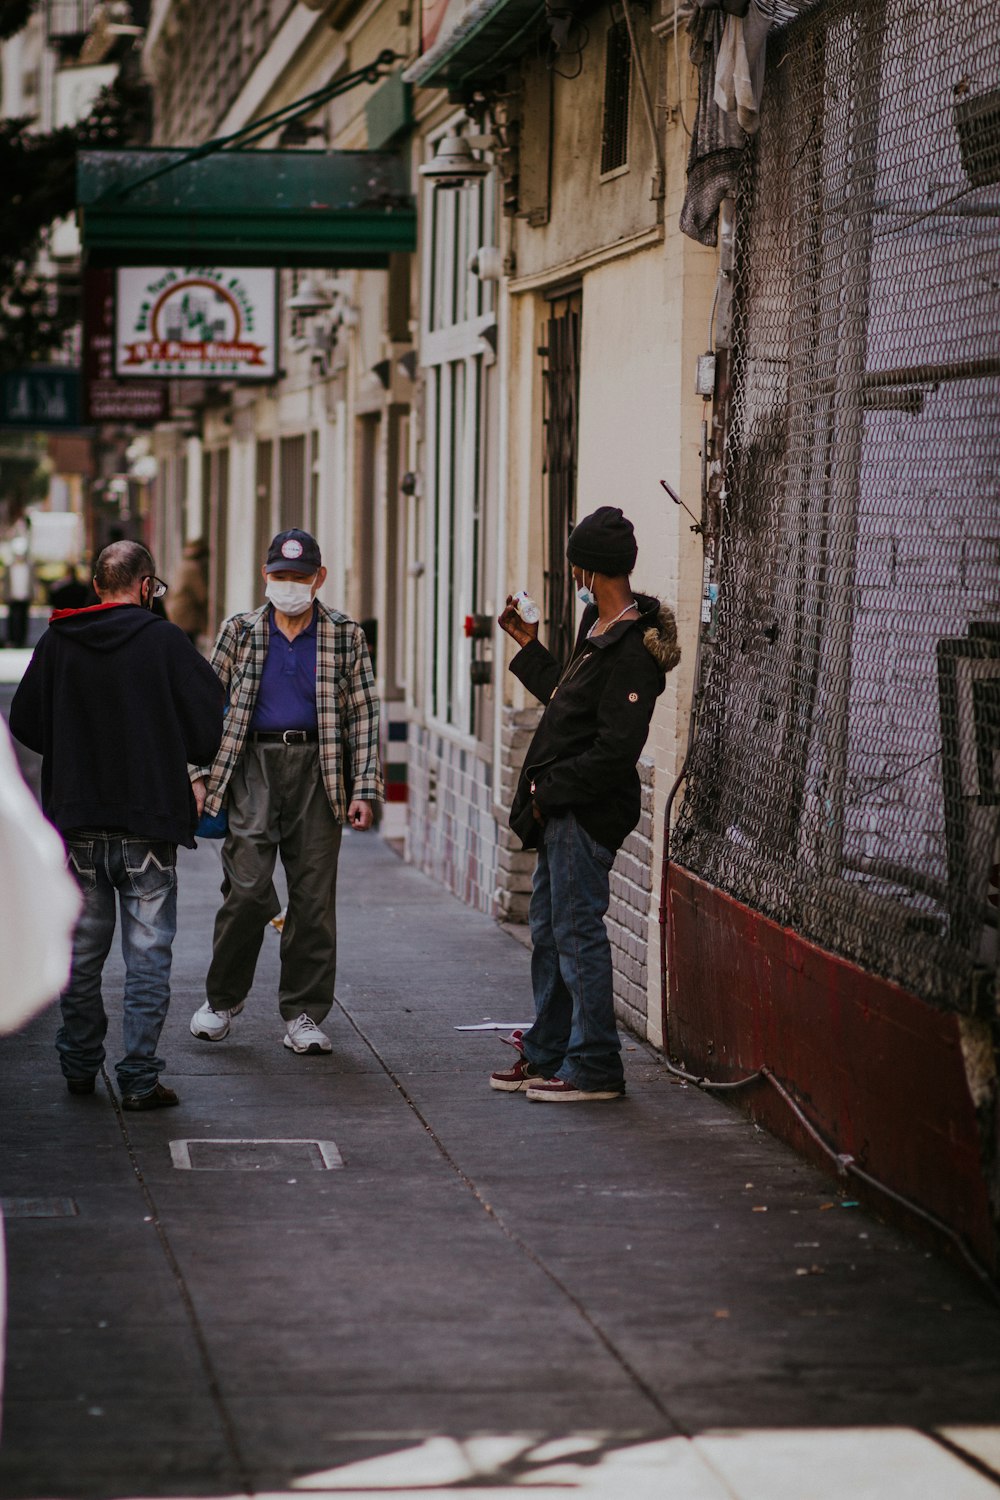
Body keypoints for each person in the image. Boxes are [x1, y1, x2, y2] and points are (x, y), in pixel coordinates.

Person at [8, 540, 225, 1109]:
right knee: (148, 959)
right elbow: (210, 724)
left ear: (97, 585)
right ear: (148, 585)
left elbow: (26, 719)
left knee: (81, 954)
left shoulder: (60, 640)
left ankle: (79, 1065)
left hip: (76, 822)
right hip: (147, 827)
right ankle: (139, 1079)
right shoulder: (165, 643)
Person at [491, 505, 681, 1102]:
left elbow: (613, 751)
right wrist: (528, 646)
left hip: (584, 813)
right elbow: (564, 699)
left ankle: (596, 1065)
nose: (573, 574)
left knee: (575, 935)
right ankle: (550, 1051)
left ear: (590, 572)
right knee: (548, 932)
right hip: (561, 812)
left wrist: (550, 792)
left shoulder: (630, 650)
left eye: (576, 565)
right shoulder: (595, 632)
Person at [189, 528, 383, 1056]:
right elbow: (205, 707)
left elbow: (364, 717)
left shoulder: (346, 635)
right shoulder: (240, 631)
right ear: (265, 575)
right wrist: (197, 774)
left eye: (300, 577)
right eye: (281, 576)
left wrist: (365, 788)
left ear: (319, 578)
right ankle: (223, 998)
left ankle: (303, 1012)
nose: (290, 586)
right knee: (248, 887)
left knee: (313, 899)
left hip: (322, 769)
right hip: (254, 764)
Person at [167, 537, 209, 645]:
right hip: (185, 615)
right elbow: (201, 595)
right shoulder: (192, 568)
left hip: (176, 612)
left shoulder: (183, 564)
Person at [4, 536, 35, 648]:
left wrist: (33, 594)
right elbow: (6, 582)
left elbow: (32, 582)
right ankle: (12, 640)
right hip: (13, 597)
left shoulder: (29, 566)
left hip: (25, 597)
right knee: (12, 619)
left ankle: (22, 640)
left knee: (23, 619)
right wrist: (5, 595)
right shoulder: (9, 566)